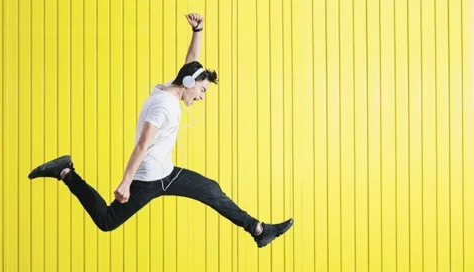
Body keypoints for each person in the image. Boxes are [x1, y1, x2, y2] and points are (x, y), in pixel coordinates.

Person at [28, 13, 293, 248]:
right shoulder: (164, 106)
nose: (201, 98)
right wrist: (126, 182)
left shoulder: (172, 89)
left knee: (211, 189)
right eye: (202, 90)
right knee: (108, 221)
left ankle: (259, 230)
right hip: (149, 180)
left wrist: (197, 32)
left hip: (167, 173)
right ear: (189, 83)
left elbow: (192, 63)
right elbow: (142, 144)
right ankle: (66, 172)